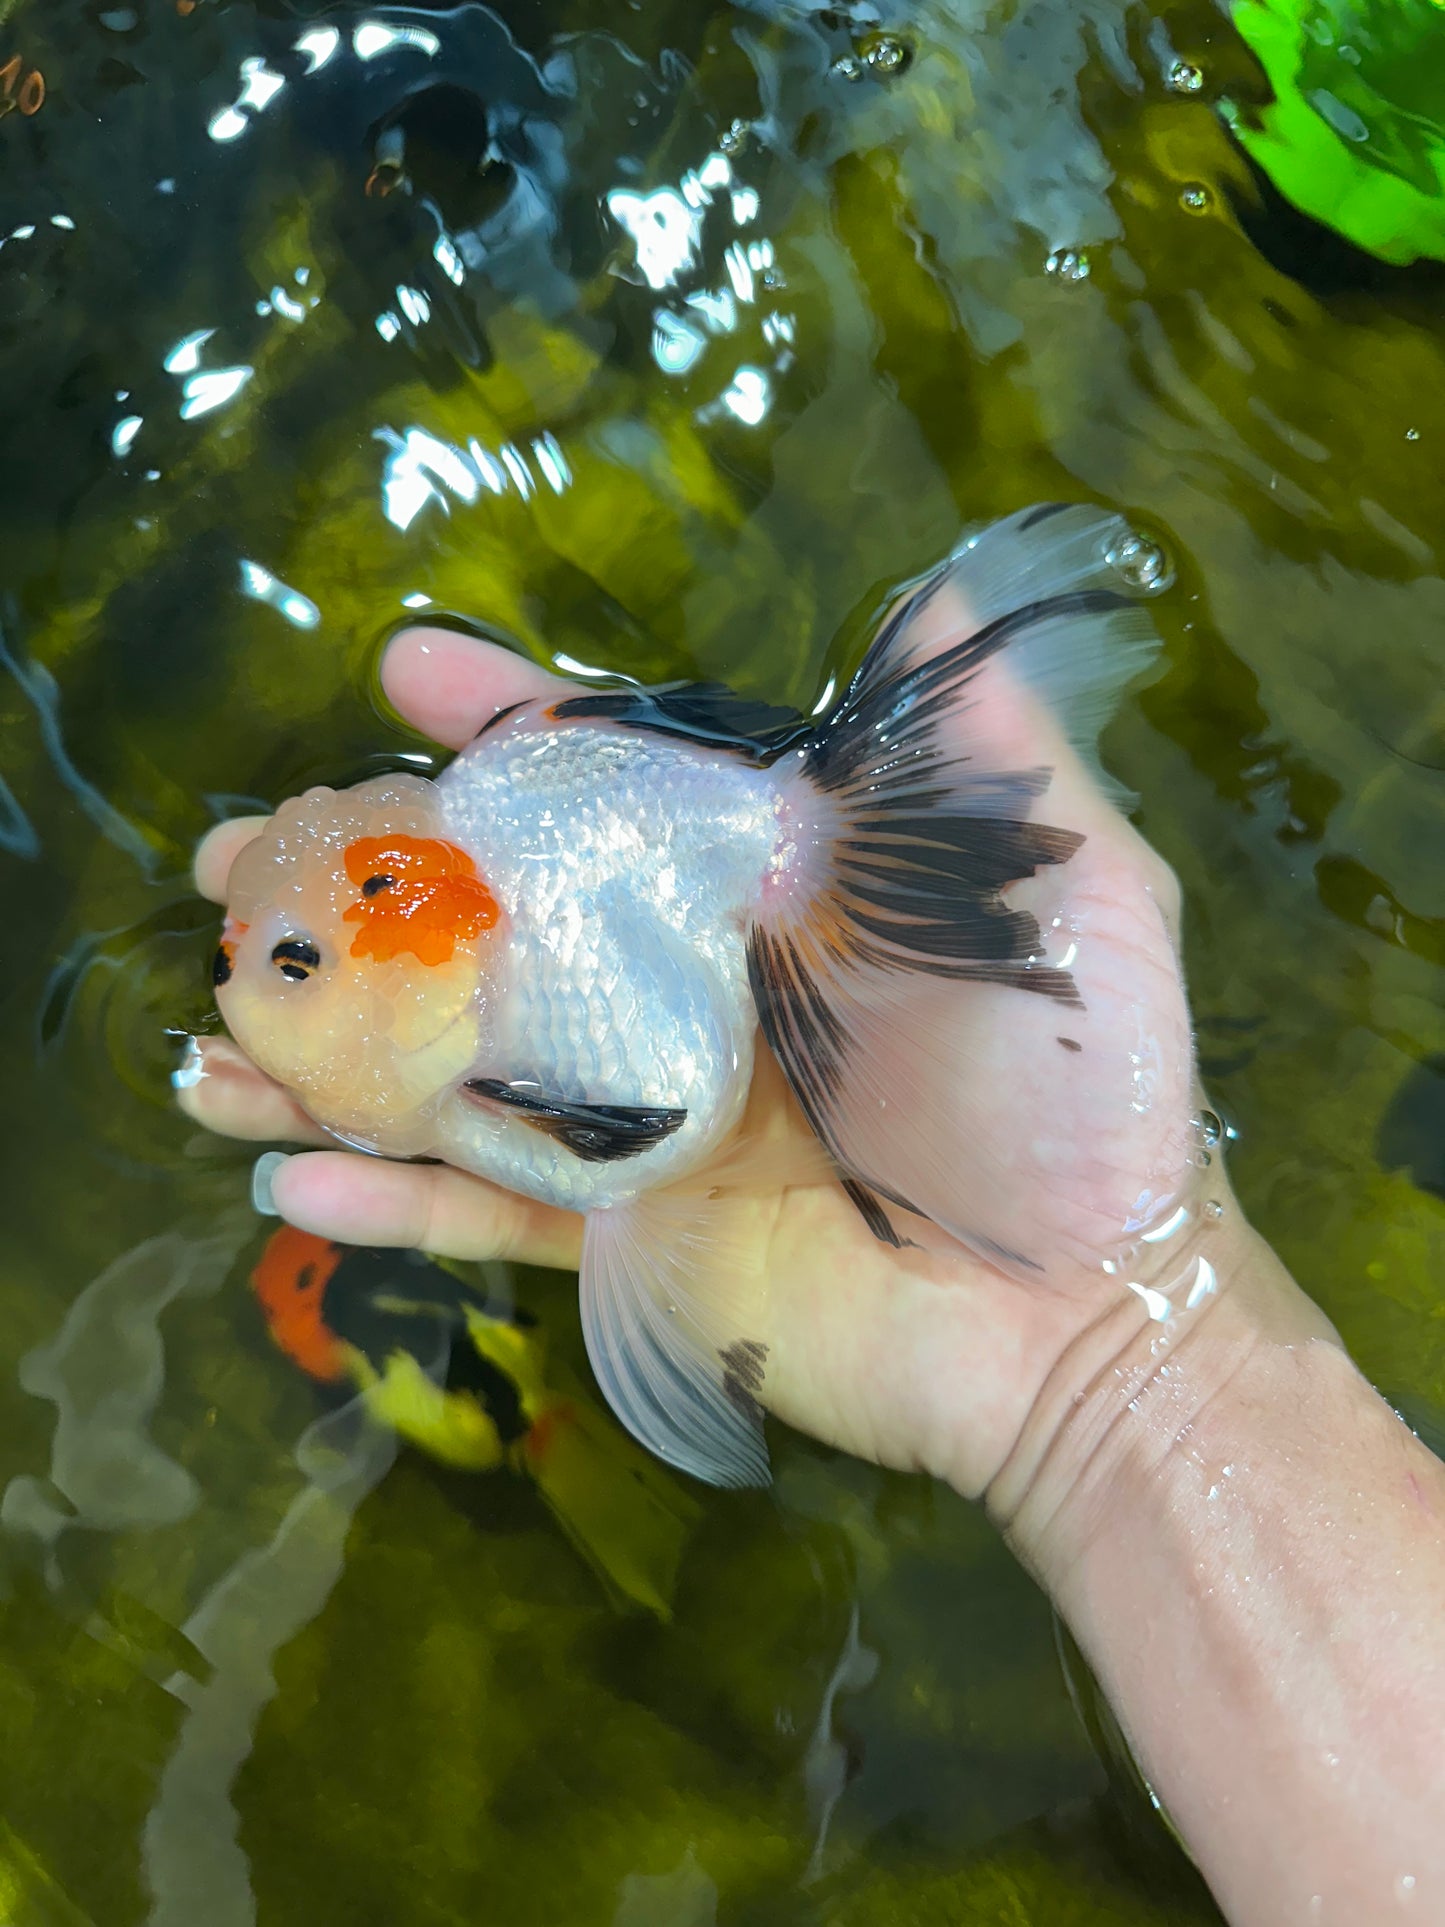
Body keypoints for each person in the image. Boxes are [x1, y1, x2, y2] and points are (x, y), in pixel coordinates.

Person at [178, 618, 1445, 1927]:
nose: (243, 990)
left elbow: (645, 1119)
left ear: (413, 913)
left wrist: (1129, 1337)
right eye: (246, 962)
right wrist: (1135, 1357)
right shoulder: (476, 995)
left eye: (289, 966)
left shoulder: (513, 976)